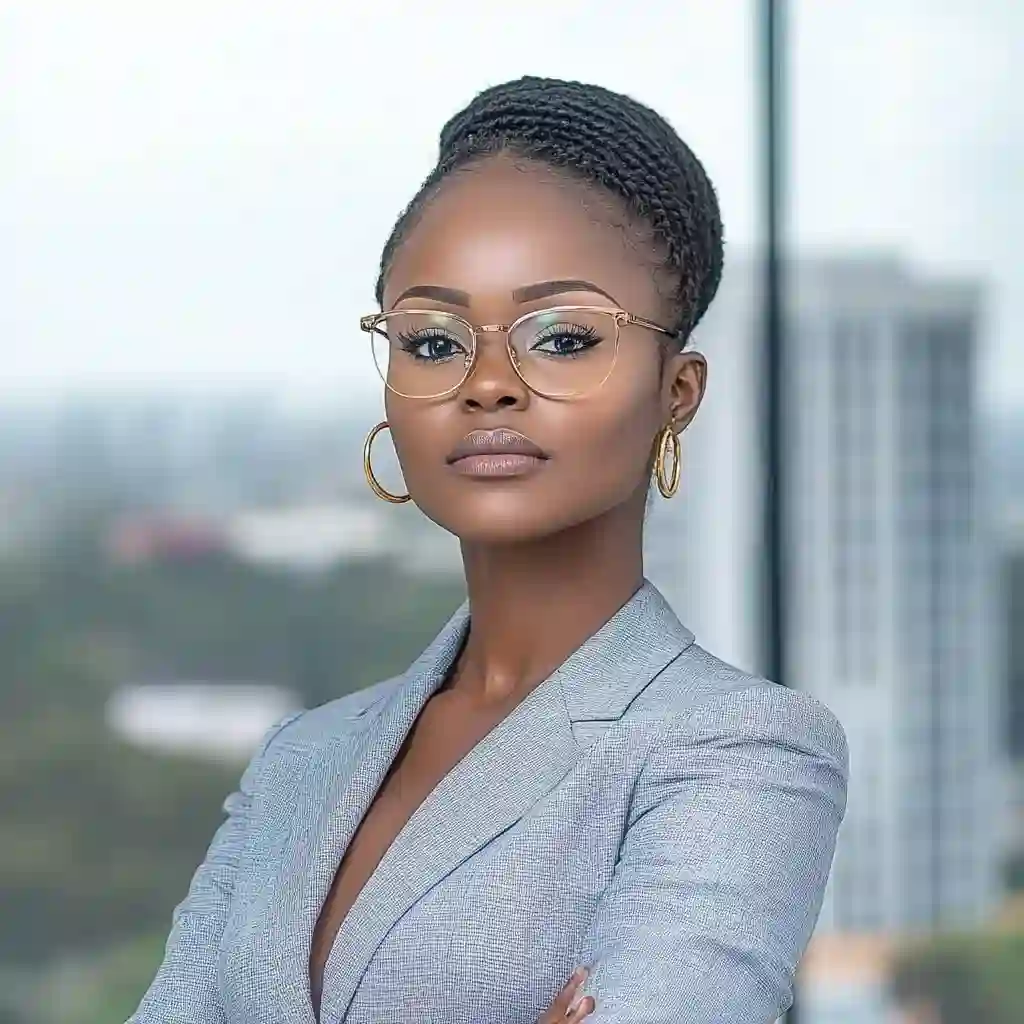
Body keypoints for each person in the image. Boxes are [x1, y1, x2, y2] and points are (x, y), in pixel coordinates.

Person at [129, 77, 848, 1024]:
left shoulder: (740, 753)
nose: (490, 385)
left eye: (561, 337)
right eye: (432, 342)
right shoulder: (298, 763)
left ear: (679, 390)